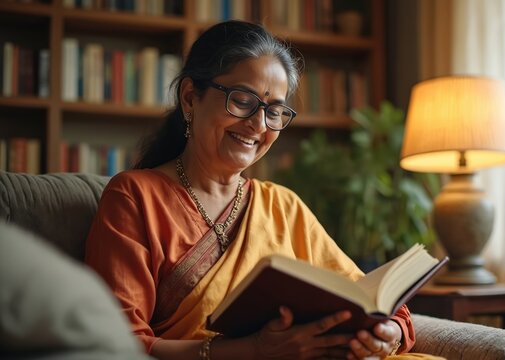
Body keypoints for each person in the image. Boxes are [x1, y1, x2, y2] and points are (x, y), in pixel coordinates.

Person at [85, 20, 424, 360]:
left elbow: (370, 299)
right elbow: (121, 344)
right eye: (243, 101)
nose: (259, 125)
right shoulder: (134, 197)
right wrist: (252, 351)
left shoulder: (282, 206)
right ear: (190, 97)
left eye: (274, 111)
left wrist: (386, 332)